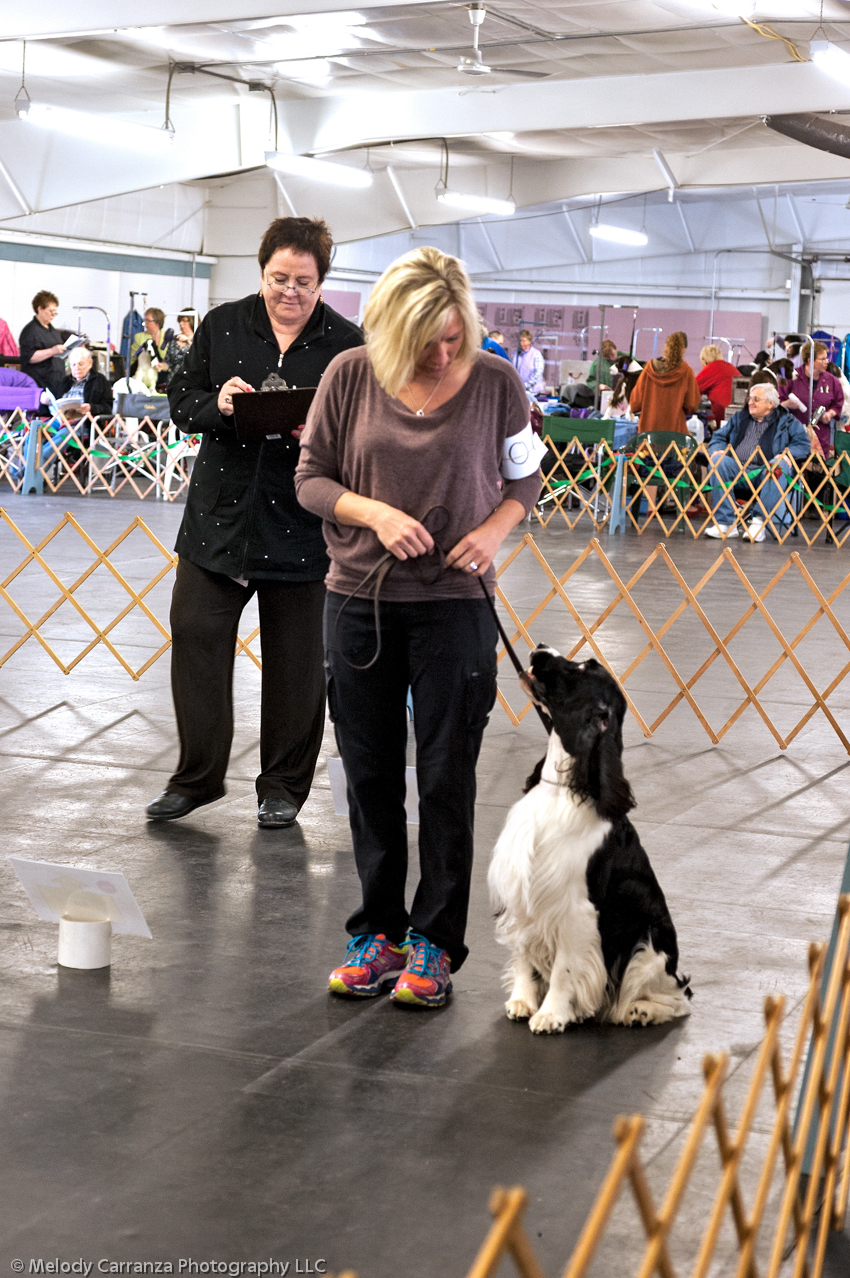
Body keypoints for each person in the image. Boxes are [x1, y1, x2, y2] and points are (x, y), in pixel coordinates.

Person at [295, 246, 543, 1009]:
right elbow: (311, 479)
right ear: (392, 328)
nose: (444, 351)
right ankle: (376, 930)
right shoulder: (349, 376)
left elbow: (525, 476)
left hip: (455, 606)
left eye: (455, 335)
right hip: (358, 601)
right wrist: (373, 512)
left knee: (444, 777)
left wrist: (496, 530)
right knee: (368, 777)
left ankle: (434, 942)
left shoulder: (497, 381)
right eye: (430, 338)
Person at [145, 216, 364, 830]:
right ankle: (196, 779)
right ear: (261, 270)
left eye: (303, 281)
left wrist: (319, 431)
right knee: (194, 637)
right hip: (220, 520)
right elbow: (181, 401)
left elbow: (369, 432)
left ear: (322, 280)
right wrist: (217, 402)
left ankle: (283, 790)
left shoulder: (350, 344)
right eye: (278, 278)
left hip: (304, 526)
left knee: (297, 668)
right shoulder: (221, 325)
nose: (289, 291)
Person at [705, 382, 810, 542]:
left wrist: (786, 455)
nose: (750, 402)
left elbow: (803, 445)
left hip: (766, 473)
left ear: (770, 404)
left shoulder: (788, 421)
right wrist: (717, 449)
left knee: (778, 466)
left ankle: (758, 523)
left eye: (756, 399)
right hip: (738, 470)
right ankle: (725, 523)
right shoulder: (740, 417)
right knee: (718, 461)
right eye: (750, 398)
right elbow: (719, 437)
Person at [779, 340, 843, 457]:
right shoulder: (791, 377)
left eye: (826, 358)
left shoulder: (832, 381)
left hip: (820, 436)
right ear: (810, 360)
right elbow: (777, 403)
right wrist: (787, 404)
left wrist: (829, 414)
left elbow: (838, 403)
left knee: (818, 471)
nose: (827, 362)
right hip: (794, 434)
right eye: (823, 359)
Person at [629, 331, 700, 434]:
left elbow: (635, 404)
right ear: (683, 349)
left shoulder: (648, 370)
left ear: (665, 347)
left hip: (648, 431)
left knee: (648, 450)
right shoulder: (686, 372)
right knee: (675, 450)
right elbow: (692, 405)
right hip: (675, 431)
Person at [19, 291, 67, 396]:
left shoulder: (52, 330)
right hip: (39, 384)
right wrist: (52, 351)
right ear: (39, 308)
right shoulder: (30, 331)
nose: (53, 315)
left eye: (55, 312)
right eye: (50, 311)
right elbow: (29, 357)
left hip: (56, 382)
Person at [53, 345, 113, 419]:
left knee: (64, 431)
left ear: (90, 363)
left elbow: (108, 408)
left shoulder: (100, 381)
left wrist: (91, 408)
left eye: (81, 364)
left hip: (84, 422)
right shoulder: (64, 381)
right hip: (60, 420)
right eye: (73, 365)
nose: (77, 368)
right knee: (38, 427)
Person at [696, 344, 738, 430]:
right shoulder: (730, 366)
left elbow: (691, 388)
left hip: (723, 417)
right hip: (739, 415)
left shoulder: (710, 368)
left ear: (704, 360)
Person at [130, 308, 169, 388]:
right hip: (143, 374)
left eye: (148, 320)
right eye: (145, 320)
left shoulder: (166, 337)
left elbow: (167, 357)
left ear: (157, 322)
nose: (145, 323)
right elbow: (132, 359)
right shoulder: (139, 337)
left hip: (162, 374)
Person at [165, 311, 196, 384]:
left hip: (190, 381)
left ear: (192, 321)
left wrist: (188, 341)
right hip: (173, 381)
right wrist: (162, 366)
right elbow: (168, 361)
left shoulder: (198, 339)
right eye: (180, 321)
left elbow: (198, 356)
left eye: (184, 321)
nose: (181, 323)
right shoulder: (174, 340)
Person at [512, 329, 545, 394]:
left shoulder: (536, 354)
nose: (521, 343)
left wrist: (526, 385)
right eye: (520, 341)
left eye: (524, 341)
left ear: (529, 341)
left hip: (533, 391)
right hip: (518, 390)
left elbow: (538, 372)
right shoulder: (515, 354)